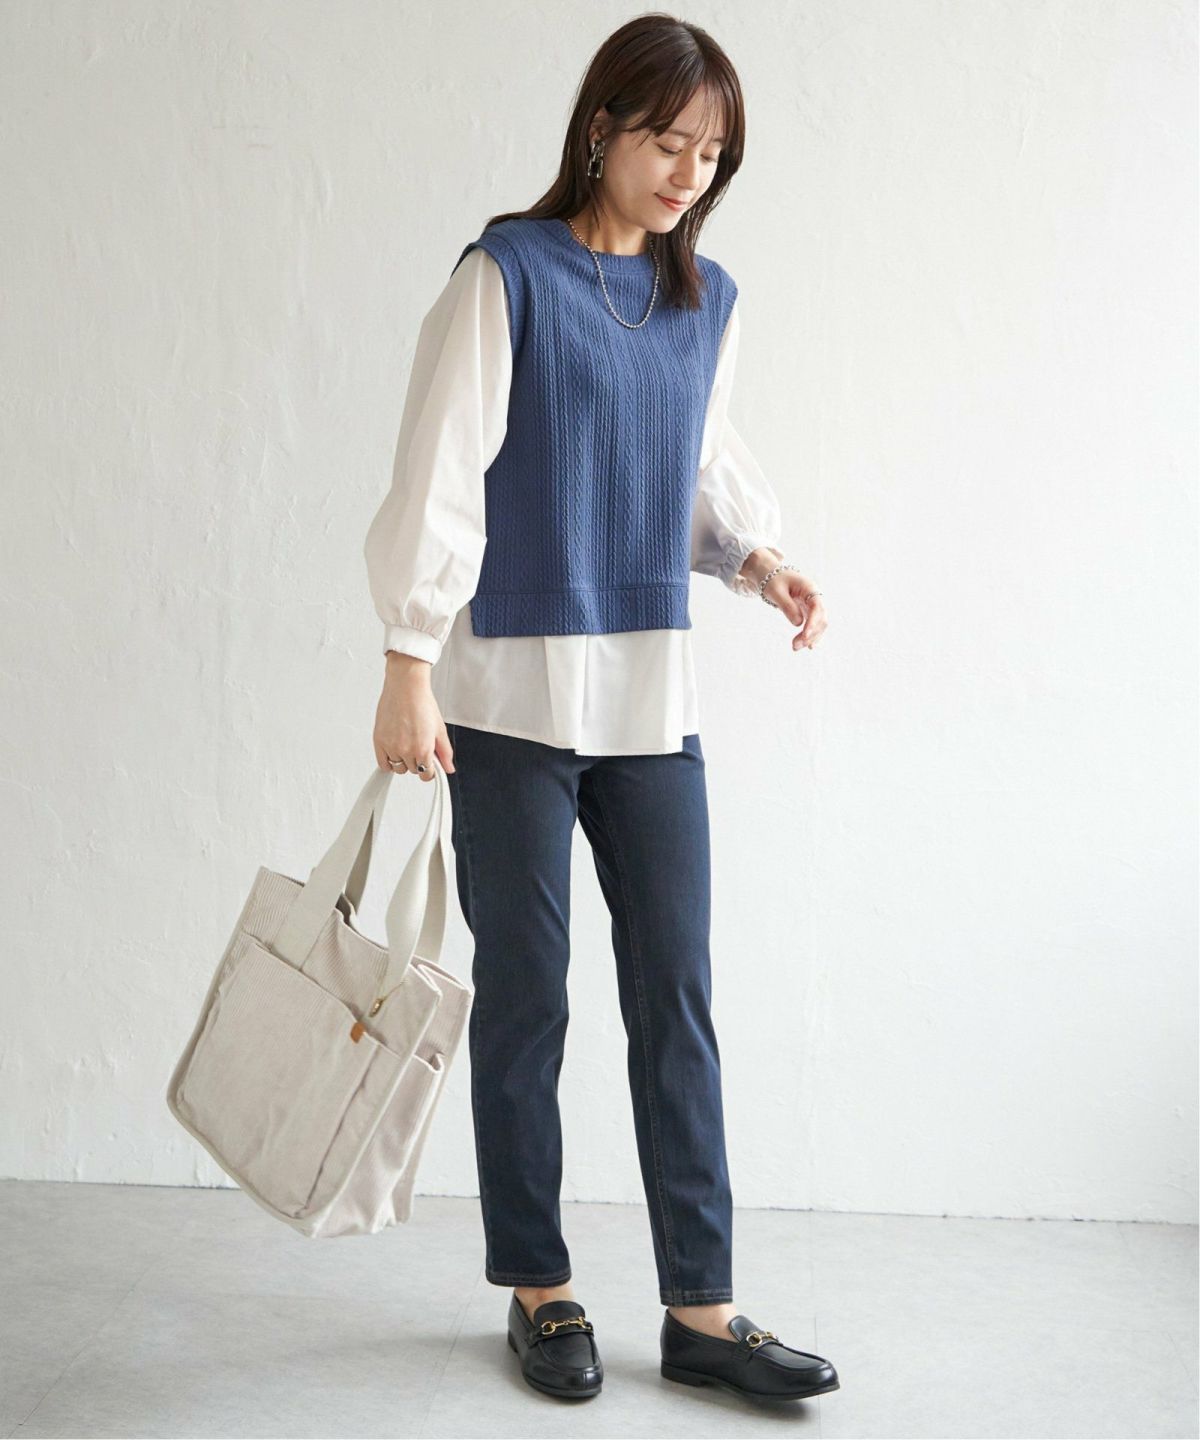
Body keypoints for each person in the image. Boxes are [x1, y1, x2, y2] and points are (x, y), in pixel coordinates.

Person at [362, 12, 836, 1406]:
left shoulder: (706, 301)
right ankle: (540, 1287)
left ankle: (703, 1310)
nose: (690, 173)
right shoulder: (506, 274)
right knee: (528, 1002)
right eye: (669, 142)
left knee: (675, 997)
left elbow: (688, 467)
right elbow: (442, 468)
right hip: (506, 698)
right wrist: (406, 659)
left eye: (713, 154)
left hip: (650, 703)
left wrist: (758, 559)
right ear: (602, 128)